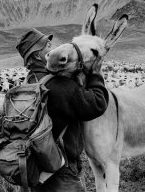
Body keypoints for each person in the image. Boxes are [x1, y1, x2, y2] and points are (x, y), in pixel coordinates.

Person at [32, 58, 109, 191]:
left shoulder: (31, 79)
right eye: (48, 46)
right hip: (61, 166)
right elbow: (97, 103)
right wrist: (95, 74)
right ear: (38, 54)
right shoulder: (60, 85)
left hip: (37, 161)